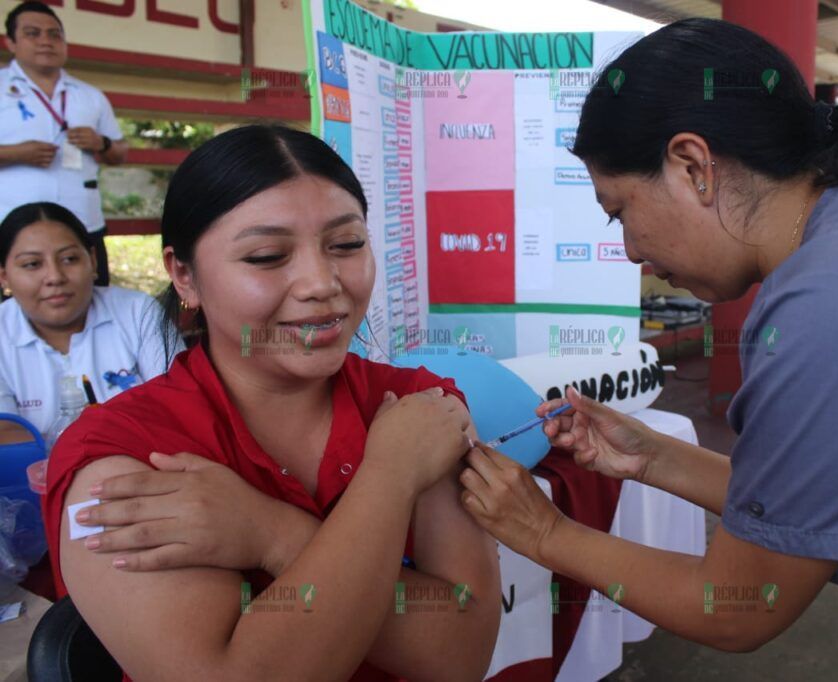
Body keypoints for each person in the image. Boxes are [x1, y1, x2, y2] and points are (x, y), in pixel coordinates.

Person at [456, 18, 838, 682]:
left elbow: (741, 605)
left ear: (693, 166)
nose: (631, 249)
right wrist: (653, 456)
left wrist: (542, 532)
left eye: (620, 212)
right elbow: (804, 502)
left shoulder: (835, 300)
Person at [43, 125, 500, 681]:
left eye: (347, 245)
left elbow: (460, 654)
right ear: (184, 276)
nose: (321, 282)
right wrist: (394, 476)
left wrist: (272, 534)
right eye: (265, 256)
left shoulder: (416, 406)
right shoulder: (119, 460)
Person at [0, 201, 178, 442]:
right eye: (32, 264)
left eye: (69, 259)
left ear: (93, 260)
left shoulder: (137, 312)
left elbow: (177, 404)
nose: (55, 277)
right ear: (4, 276)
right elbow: (6, 439)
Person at [0, 1, 128, 287]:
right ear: (11, 42)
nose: (46, 41)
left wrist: (101, 142)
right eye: (33, 33)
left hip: (82, 224)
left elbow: (119, 153)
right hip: (10, 227)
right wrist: (16, 154)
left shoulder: (90, 95)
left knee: (94, 306)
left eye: (55, 34)